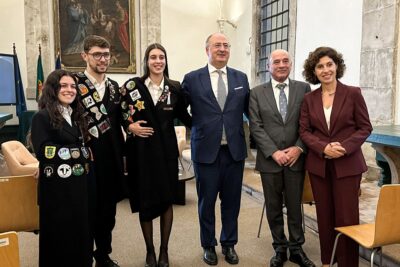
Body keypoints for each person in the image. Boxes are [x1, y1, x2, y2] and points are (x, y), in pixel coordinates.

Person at [299, 47, 372, 267]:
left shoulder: (353, 93)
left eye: (329, 64)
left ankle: (348, 263)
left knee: (347, 218)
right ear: (314, 71)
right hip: (319, 166)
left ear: (337, 66)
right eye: (320, 66)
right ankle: (327, 261)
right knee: (325, 216)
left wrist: (343, 147)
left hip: (347, 165)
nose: (325, 70)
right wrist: (323, 148)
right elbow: (304, 131)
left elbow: (364, 127)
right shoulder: (309, 99)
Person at [120, 43, 191, 267]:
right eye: (153, 57)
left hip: (167, 152)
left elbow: (187, 117)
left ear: (165, 61)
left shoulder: (175, 88)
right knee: (145, 200)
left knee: (166, 198)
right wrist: (129, 127)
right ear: (146, 61)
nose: (158, 61)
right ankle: (150, 250)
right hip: (140, 152)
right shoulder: (132, 86)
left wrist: (209, 124)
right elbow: (120, 114)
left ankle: (163, 251)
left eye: (161, 57)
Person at [182, 32, 250, 266]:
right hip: (205, 152)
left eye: (226, 45)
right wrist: (198, 126)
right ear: (207, 50)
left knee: (232, 202)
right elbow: (181, 111)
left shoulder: (241, 77)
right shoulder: (192, 78)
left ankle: (229, 244)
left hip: (234, 152)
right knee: (206, 201)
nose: (222, 49)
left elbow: (250, 111)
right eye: (217, 45)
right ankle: (208, 245)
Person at [249, 49, 315, 267]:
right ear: (269, 66)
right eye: (276, 61)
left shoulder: (304, 89)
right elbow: (256, 126)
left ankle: (297, 248)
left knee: (295, 207)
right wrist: (274, 152)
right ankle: (280, 248)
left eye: (286, 61)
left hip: (296, 159)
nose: (281, 65)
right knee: (274, 206)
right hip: (270, 160)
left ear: (291, 64)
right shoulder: (257, 92)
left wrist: (298, 148)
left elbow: (309, 124)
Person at [31, 70, 93, 267]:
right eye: (64, 86)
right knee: (59, 243)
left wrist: (80, 153)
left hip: (79, 187)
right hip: (56, 191)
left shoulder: (76, 115)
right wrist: (80, 152)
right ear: (53, 89)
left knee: (80, 238)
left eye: (73, 86)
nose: (70, 90)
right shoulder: (41, 117)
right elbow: (44, 151)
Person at [76, 35, 125, 267]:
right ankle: (83, 256)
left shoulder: (115, 88)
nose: (102, 59)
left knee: (108, 212)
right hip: (84, 158)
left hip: (110, 159)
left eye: (106, 54)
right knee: (85, 211)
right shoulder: (73, 85)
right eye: (97, 54)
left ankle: (103, 254)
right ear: (85, 56)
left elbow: (120, 122)